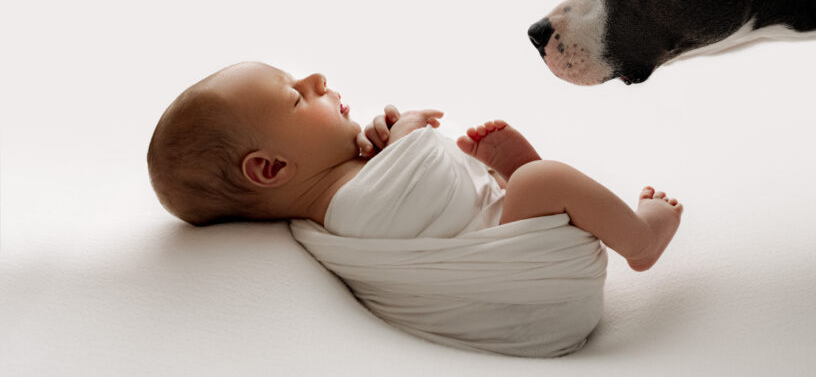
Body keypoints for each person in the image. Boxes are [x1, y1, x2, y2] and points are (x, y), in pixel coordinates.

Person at [148, 61, 682, 272]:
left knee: (507, 190)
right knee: (547, 182)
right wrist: (404, 141)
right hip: (522, 288)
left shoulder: (357, 185)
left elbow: (433, 207)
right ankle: (640, 243)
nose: (314, 79)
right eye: (294, 97)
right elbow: (414, 188)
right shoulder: (350, 211)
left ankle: (513, 185)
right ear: (269, 169)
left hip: (489, 239)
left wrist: (387, 151)